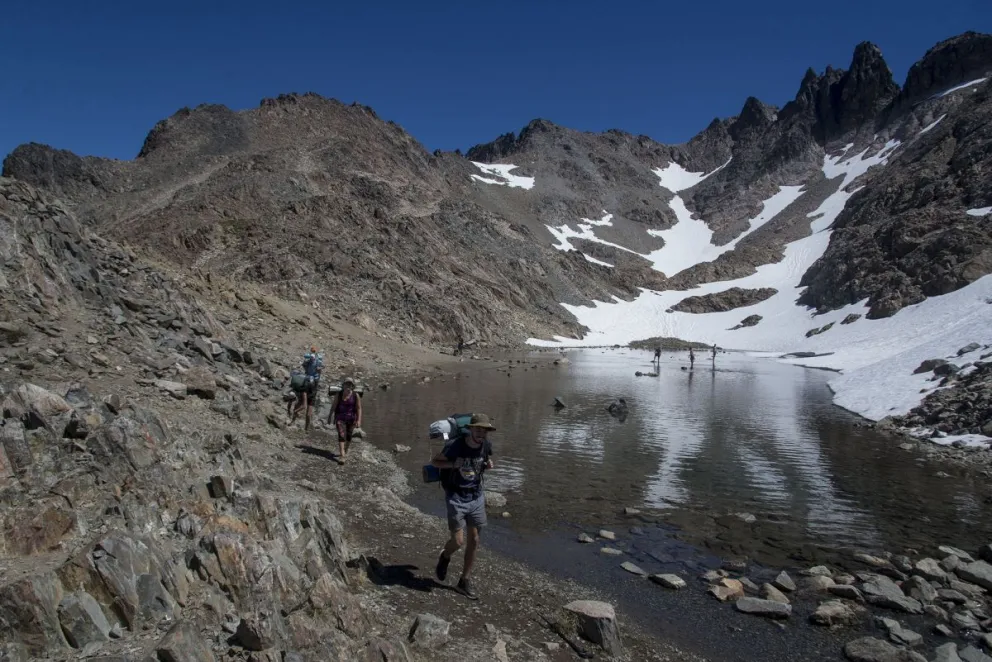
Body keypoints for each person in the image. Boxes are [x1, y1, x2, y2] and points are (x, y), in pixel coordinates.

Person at [432, 413, 496, 600]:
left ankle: (464, 581)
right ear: (470, 429)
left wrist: (487, 464)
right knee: (458, 541)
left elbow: (484, 462)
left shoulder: (486, 446)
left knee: (474, 540)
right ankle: (445, 556)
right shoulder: (456, 445)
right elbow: (435, 462)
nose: (480, 433)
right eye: (477, 429)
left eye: (484, 431)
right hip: (456, 496)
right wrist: (453, 463)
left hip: (476, 496)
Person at [328, 377, 362, 464]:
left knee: (348, 437)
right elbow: (334, 405)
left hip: (352, 419)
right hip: (340, 418)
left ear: (352, 386)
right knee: (341, 435)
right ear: (343, 385)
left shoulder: (355, 395)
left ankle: (345, 450)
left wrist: (359, 420)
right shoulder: (338, 394)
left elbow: (358, 408)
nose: (348, 386)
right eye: (347, 384)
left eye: (350, 384)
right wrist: (330, 416)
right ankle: (342, 456)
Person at [290, 346, 323, 431]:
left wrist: (318, 368)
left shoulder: (317, 361)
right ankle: (296, 423)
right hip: (308, 386)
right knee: (303, 406)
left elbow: (319, 370)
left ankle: (305, 429)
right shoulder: (310, 361)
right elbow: (306, 366)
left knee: (305, 409)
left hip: (311, 388)